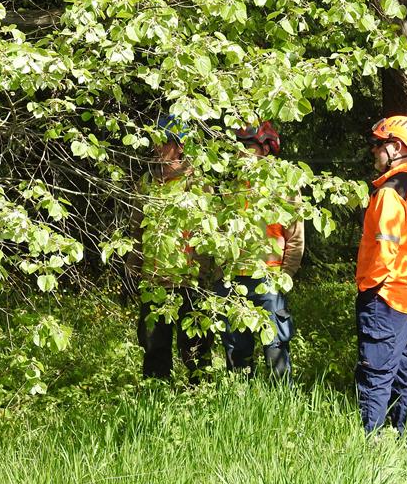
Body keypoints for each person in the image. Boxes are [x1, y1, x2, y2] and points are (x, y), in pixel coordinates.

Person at [355, 116, 407, 434]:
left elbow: (383, 249)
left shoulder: (391, 192)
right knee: (404, 374)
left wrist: (369, 287)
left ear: (396, 147)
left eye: (378, 144)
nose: (374, 151)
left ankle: (370, 446)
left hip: (385, 296)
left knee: (374, 375)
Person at [125, 116, 214, 384]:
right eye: (155, 141)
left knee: (195, 349)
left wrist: (208, 274)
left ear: (180, 146)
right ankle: (156, 396)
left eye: (163, 142)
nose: (156, 147)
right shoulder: (146, 184)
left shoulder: (199, 184)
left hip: (190, 282)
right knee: (154, 348)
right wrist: (132, 263)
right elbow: (136, 231)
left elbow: (212, 235)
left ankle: (200, 397)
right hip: (154, 282)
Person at [215, 122, 304, 380]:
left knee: (275, 345)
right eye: (238, 147)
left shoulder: (284, 185)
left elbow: (295, 238)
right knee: (235, 348)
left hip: (269, 280)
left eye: (248, 147)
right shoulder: (229, 185)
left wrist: (283, 277)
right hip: (232, 280)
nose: (241, 153)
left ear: (265, 149)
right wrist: (221, 274)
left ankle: (281, 400)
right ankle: (239, 400)